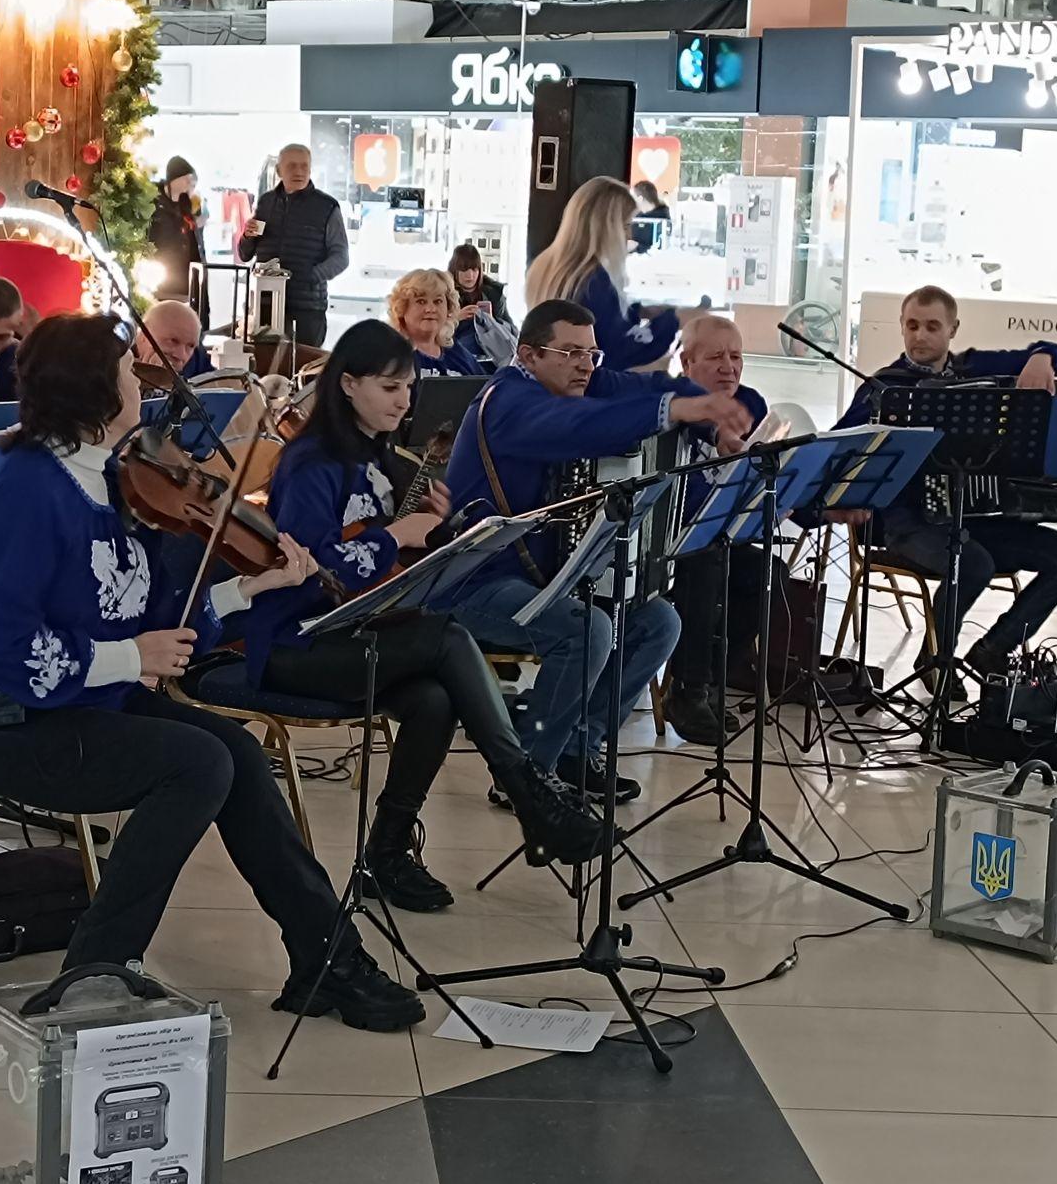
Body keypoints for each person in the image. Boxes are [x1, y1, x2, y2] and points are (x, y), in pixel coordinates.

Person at [0, 313, 424, 1031]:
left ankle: (326, 957)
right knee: (195, 761)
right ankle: (94, 968)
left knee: (233, 751)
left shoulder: (111, 479)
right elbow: (4, 646)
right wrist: (129, 658)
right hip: (12, 721)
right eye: (129, 373)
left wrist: (249, 588)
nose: (143, 384)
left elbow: (158, 611)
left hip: (93, 705)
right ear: (93, 392)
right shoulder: (28, 491)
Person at [247, 320, 602, 909]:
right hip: (296, 640)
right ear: (348, 385)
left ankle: (385, 855)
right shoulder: (310, 463)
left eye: (408, 388)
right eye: (389, 389)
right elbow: (314, 568)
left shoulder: (380, 459)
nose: (404, 401)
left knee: (434, 699)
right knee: (445, 636)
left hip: (357, 630)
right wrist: (395, 535)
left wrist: (447, 531)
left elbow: (393, 565)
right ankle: (527, 789)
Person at [435, 299, 751, 802]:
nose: (585, 364)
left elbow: (639, 388)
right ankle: (526, 775)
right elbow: (576, 428)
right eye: (571, 352)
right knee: (588, 629)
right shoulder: (507, 401)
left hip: (540, 579)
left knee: (659, 622)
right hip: (473, 582)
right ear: (529, 355)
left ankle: (580, 747)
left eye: (591, 353)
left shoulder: (571, 379)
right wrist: (676, 409)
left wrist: (708, 415)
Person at [835, 286, 1057, 685]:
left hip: (973, 516)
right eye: (912, 325)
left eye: (933, 326)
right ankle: (935, 658)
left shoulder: (974, 367)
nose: (920, 335)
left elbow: (1054, 350)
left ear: (953, 329)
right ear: (901, 327)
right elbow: (839, 444)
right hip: (907, 522)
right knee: (972, 562)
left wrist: (1042, 359)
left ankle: (994, 649)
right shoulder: (884, 387)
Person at [660, 314, 774, 746]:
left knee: (769, 574)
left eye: (736, 356)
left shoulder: (751, 404)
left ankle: (709, 680)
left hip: (726, 533)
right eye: (716, 357)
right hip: (670, 538)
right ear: (687, 362)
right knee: (704, 562)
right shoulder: (673, 401)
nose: (729, 367)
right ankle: (688, 690)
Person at [525, 176, 679, 371]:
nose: (630, 235)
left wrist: (636, 312)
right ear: (606, 227)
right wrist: (673, 321)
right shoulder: (593, 280)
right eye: (625, 225)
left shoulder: (548, 267)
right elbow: (617, 353)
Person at [240, 144, 348, 348]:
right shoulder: (266, 202)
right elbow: (245, 254)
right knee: (262, 372)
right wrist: (248, 235)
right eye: (291, 166)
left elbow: (341, 257)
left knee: (301, 372)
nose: (299, 172)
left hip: (306, 310)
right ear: (279, 171)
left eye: (304, 166)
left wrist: (311, 276)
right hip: (265, 306)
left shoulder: (327, 207)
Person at [387, 268, 487, 378]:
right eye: (421, 301)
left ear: (448, 308)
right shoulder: (390, 356)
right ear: (402, 308)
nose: (431, 309)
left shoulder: (458, 353)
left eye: (438, 301)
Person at [146, 156, 205, 315]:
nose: (188, 184)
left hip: (187, 280)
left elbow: (194, 242)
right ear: (175, 178)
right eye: (186, 179)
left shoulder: (188, 206)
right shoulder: (154, 203)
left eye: (191, 181)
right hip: (162, 278)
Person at [136, 298, 213, 381]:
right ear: (144, 335)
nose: (181, 355)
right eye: (173, 341)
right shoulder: (121, 361)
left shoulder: (198, 360)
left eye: (190, 346)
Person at [448, 243, 509, 326]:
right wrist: (455, 319)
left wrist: (492, 322)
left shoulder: (494, 294)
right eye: (464, 270)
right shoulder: (446, 294)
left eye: (474, 269)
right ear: (454, 270)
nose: (470, 275)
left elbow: (512, 332)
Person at [631, 180, 671, 255]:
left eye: (633, 197)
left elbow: (661, 247)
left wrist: (637, 246)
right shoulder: (637, 217)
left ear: (640, 198)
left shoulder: (662, 221)